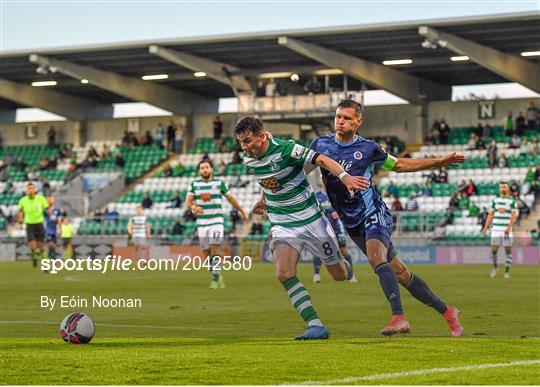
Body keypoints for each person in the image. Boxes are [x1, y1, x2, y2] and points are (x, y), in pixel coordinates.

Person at [309, 99, 465, 337]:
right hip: (351, 222)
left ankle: (399, 317)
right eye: (338, 116)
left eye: (347, 118)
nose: (341, 121)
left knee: (375, 257)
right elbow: (301, 169)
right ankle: (447, 311)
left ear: (358, 122)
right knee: (401, 273)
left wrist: (438, 162)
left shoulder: (370, 148)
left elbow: (399, 165)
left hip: (374, 213)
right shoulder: (320, 144)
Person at [236, 115, 369, 340]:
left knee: (339, 275)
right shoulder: (249, 159)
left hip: (312, 219)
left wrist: (345, 177)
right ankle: (315, 325)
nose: (244, 147)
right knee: (284, 273)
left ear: (261, 136)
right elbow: (270, 179)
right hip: (282, 223)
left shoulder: (288, 149)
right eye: (241, 142)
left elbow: (322, 160)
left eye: (248, 141)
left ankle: (345, 264)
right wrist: (264, 199)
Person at [185, 160, 249, 290]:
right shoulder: (194, 184)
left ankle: (214, 280)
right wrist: (193, 207)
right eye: (202, 168)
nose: (205, 169)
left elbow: (231, 199)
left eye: (207, 167)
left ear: (211, 169)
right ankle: (217, 274)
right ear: (199, 171)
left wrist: (242, 211)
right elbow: (188, 202)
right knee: (206, 253)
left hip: (216, 221)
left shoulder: (219, 183)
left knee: (215, 247)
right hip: (201, 222)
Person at [313, 181, 357, 283]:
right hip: (323, 228)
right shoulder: (317, 195)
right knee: (320, 250)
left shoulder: (336, 194)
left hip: (337, 227)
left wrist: (339, 212)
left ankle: (350, 275)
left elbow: (345, 207)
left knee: (343, 250)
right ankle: (316, 274)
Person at [482, 182, 518, 279]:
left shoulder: (512, 201)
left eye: (505, 186)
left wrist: (509, 228)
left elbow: (514, 216)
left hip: (506, 229)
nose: (503, 188)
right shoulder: (495, 201)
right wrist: (485, 227)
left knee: (507, 249)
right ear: (499, 189)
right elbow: (491, 215)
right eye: (501, 186)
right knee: (494, 250)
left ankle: (506, 272)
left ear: (508, 188)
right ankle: (495, 268)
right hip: (496, 229)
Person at [18, 182, 49, 268]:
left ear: (35, 189)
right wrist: (20, 222)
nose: (31, 190)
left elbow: (47, 209)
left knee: (41, 248)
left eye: (32, 188)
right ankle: (34, 258)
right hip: (29, 225)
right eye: (29, 189)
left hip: (39, 225)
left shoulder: (41, 199)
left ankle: (45, 266)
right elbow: (20, 212)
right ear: (27, 190)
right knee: (32, 246)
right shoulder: (23, 200)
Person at [44, 196, 62, 261]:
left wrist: (60, 228)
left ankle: (48, 260)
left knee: (53, 247)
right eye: (49, 199)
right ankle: (54, 261)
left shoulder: (57, 210)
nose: (51, 200)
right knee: (51, 245)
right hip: (47, 231)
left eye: (52, 199)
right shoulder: (45, 210)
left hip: (54, 231)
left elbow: (59, 220)